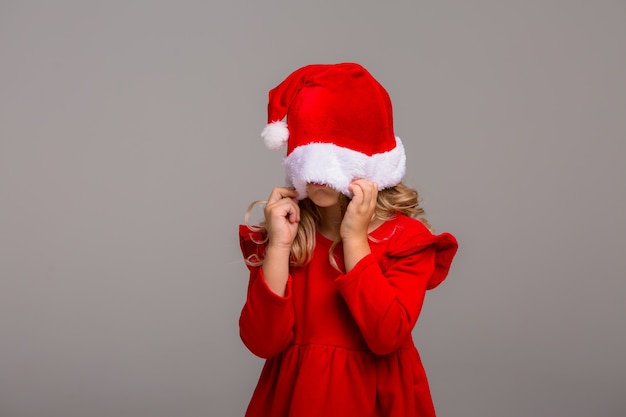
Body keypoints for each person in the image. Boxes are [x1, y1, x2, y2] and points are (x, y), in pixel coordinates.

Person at [238, 62, 458, 417]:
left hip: (375, 400)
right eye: (310, 157)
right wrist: (278, 247)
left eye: (336, 157)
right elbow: (262, 341)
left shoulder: (405, 240)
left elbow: (385, 335)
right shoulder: (288, 236)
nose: (320, 176)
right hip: (297, 400)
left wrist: (354, 239)